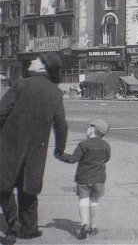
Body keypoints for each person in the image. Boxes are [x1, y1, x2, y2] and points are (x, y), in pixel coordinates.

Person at [0, 52, 68, 243]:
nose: (32, 61)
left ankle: (13, 225)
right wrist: (59, 149)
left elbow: (1, 113)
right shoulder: (55, 92)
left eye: (36, 60)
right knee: (28, 187)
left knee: (3, 185)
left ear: (42, 66)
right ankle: (29, 229)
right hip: (36, 149)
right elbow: (61, 125)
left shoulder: (21, 84)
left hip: (8, 144)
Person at [57, 119, 111, 240]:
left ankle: (84, 225)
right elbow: (107, 158)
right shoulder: (106, 145)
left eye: (88, 127)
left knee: (83, 201)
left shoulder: (83, 145)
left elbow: (72, 160)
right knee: (94, 201)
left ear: (92, 129)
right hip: (99, 179)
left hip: (83, 178)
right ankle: (94, 226)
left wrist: (61, 155)